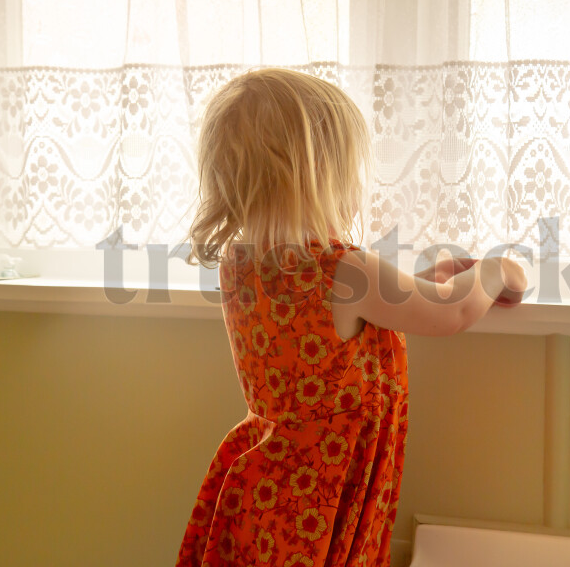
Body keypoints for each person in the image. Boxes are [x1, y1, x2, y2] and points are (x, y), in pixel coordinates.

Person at [177, 67, 526, 567]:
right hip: (322, 494)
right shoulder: (341, 268)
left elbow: (350, 321)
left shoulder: (243, 264)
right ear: (320, 174)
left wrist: (434, 273)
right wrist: (497, 270)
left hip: (269, 486)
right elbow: (451, 313)